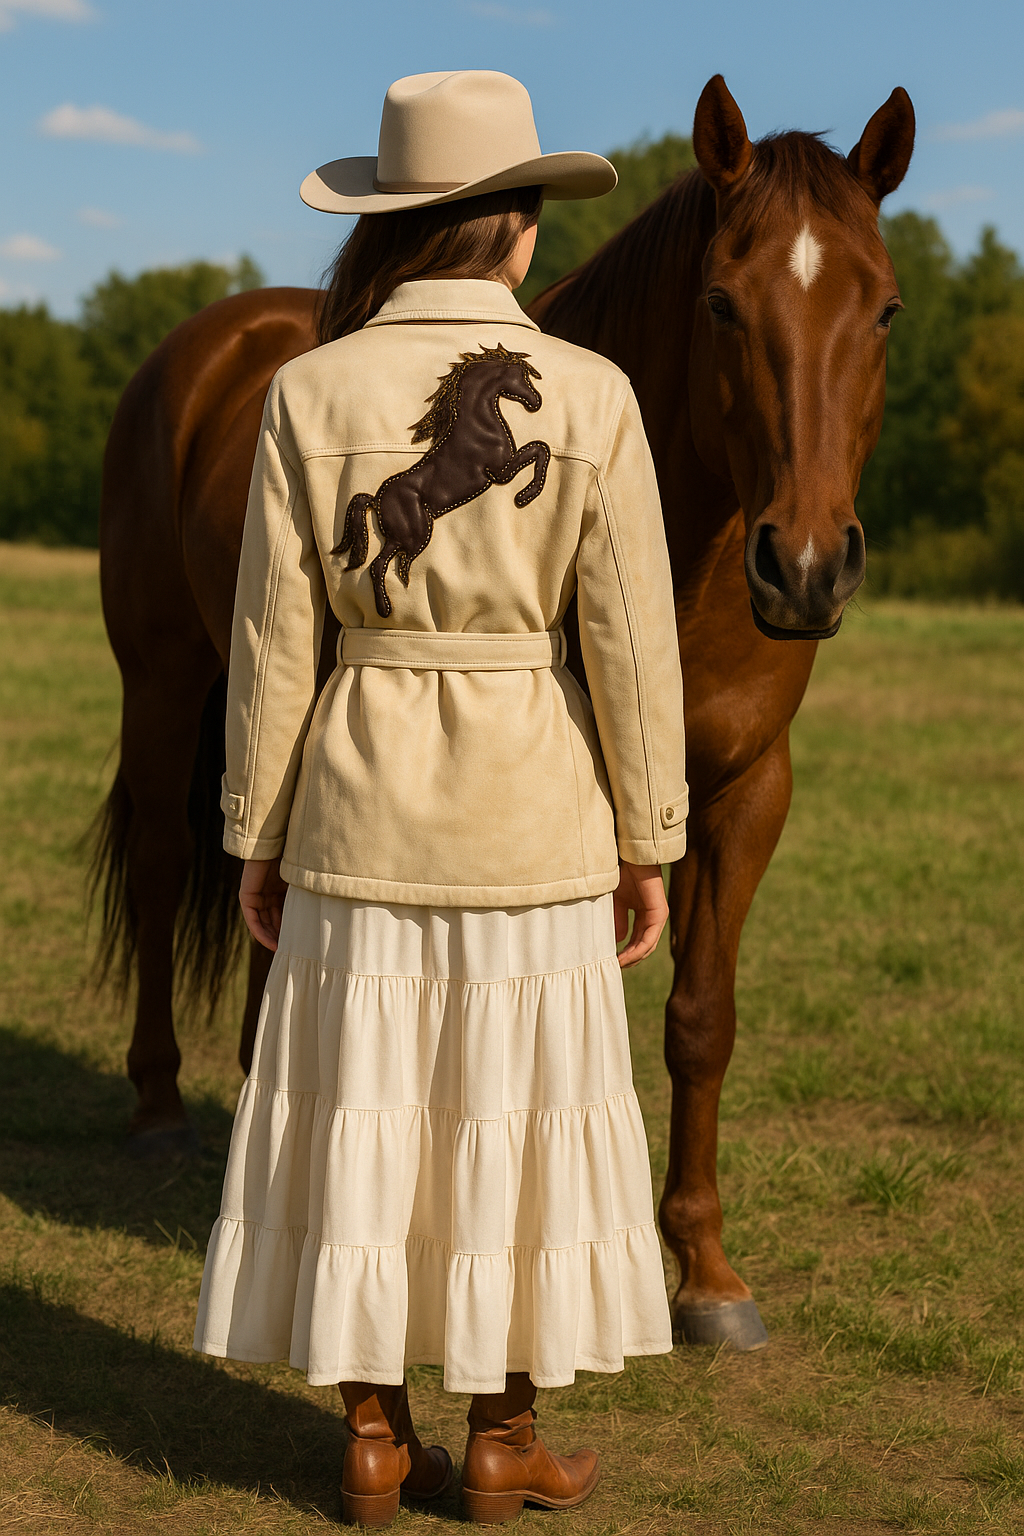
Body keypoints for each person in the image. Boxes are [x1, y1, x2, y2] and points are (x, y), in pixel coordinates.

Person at [193, 69, 687, 1528]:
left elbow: (277, 644)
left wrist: (256, 831)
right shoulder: (593, 398)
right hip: (532, 821)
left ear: (399, 225)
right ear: (522, 228)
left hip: (356, 815)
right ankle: (502, 1437)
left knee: (368, 1114)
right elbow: (634, 645)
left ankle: (369, 1440)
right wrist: (651, 841)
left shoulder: (305, 390)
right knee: (516, 1120)